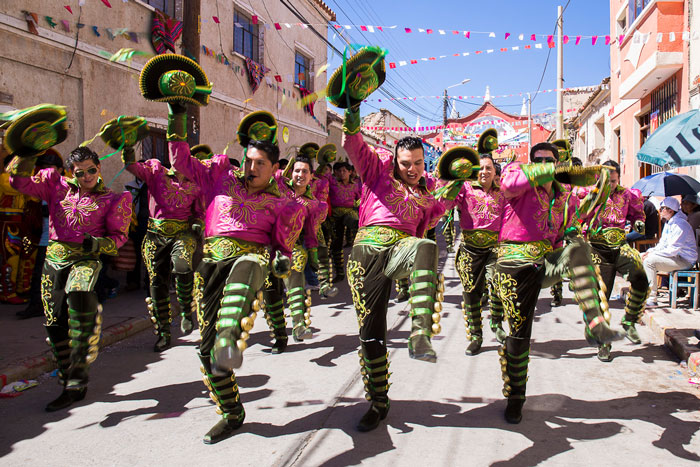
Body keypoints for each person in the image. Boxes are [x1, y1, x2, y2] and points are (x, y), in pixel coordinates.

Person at [328, 47, 447, 431]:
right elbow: (353, 144)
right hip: (365, 254)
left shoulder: (426, 196)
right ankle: (377, 402)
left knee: (427, 246)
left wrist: (464, 177)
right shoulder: (377, 174)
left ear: (424, 163)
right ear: (395, 161)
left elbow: (445, 205)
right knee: (371, 334)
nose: (412, 170)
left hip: (400, 251)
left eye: (418, 164)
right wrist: (353, 106)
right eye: (405, 164)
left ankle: (419, 332)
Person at [8, 104, 132, 411]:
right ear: (71, 172)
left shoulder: (113, 199)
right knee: (53, 325)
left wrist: (97, 245)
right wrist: (28, 151)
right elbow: (18, 183)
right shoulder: (54, 186)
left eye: (92, 170)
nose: (88, 176)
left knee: (79, 297)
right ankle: (68, 380)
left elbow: (119, 237)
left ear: (98, 168)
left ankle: (78, 380)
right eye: (81, 172)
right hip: (54, 258)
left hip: (85, 260)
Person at [493, 141, 623, 424]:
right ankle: (516, 397)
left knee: (578, 249)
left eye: (549, 159)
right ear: (532, 162)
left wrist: (600, 186)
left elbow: (578, 219)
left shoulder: (564, 196)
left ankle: (595, 323)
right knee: (519, 334)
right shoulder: (517, 174)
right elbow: (507, 185)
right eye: (538, 159)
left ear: (559, 161)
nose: (544, 163)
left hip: (545, 262)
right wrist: (542, 169)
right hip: (514, 264)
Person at [122, 134, 204, 352]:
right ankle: (163, 332)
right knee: (156, 285)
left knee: (182, 265)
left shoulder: (197, 185)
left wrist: (197, 223)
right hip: (154, 236)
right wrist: (127, 141)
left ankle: (186, 308)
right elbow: (131, 166)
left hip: (182, 234)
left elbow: (199, 212)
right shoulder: (156, 172)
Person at [580, 160, 647, 361]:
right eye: (605, 181)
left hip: (620, 245)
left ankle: (630, 321)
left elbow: (638, 216)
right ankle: (604, 343)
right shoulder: (589, 195)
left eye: (614, 181)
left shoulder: (628, 195)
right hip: (597, 250)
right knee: (602, 298)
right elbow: (578, 216)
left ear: (619, 178)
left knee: (641, 278)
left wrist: (638, 223)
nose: (609, 185)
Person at [443, 149, 507, 356]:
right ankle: (476, 335)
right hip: (470, 249)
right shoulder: (465, 189)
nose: (484, 172)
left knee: (499, 286)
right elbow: (445, 204)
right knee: (471, 294)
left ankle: (497, 324)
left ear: (495, 172)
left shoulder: (503, 192)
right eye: (480, 168)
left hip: (496, 249)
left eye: (488, 168)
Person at [264, 153, 326, 353]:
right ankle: (280, 338)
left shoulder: (313, 204)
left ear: (311, 176)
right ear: (291, 171)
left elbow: (310, 231)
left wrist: (314, 254)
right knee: (270, 293)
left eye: (304, 171)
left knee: (295, 276)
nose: (300, 174)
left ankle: (299, 325)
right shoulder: (278, 185)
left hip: (291, 248)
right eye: (297, 170)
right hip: (264, 246)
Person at [16, 149, 64, 319]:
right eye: (42, 168)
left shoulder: (67, 186)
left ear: (59, 169)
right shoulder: (40, 186)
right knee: (40, 275)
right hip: (44, 239)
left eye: (49, 168)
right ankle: (37, 305)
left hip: (61, 241)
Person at [642, 197, 698, 307]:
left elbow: (672, 250)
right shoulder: (669, 223)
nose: (660, 211)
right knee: (639, 257)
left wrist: (652, 254)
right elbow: (663, 244)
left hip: (684, 260)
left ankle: (652, 298)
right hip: (675, 257)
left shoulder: (680, 225)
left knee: (650, 262)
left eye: (662, 208)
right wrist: (649, 251)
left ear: (671, 210)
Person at [326, 160, 361, 282]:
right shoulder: (332, 183)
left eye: (344, 171)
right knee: (336, 243)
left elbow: (361, 198)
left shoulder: (355, 185)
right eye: (339, 171)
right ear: (335, 172)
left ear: (350, 172)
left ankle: (360, 267)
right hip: (335, 217)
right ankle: (340, 272)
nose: (342, 173)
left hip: (350, 214)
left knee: (359, 239)